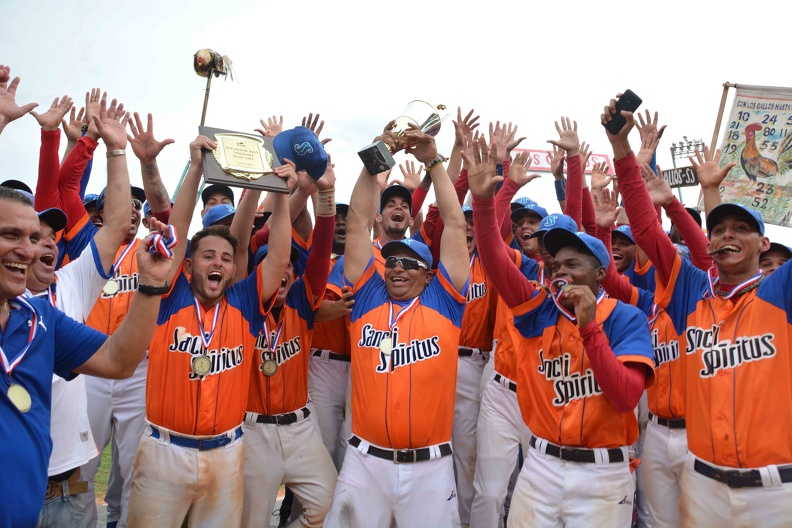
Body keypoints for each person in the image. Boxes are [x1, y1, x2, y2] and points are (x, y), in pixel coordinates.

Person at [606, 99, 792, 527]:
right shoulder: (691, 290)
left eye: (741, 230)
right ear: (707, 245)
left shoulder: (779, 291)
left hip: (776, 490)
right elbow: (645, 229)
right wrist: (621, 149)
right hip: (702, 481)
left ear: (764, 245)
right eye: (719, 230)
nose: (727, 235)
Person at [467, 133, 655, 527]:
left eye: (573, 264)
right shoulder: (537, 308)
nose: (560, 271)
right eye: (555, 264)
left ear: (600, 274)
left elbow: (623, 397)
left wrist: (590, 330)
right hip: (541, 467)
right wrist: (484, 202)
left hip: (603, 476)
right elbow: (493, 256)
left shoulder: (625, 317)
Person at [124, 134, 292, 527]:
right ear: (187, 265)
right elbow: (176, 233)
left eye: (227, 258)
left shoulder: (245, 304)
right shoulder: (169, 295)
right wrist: (197, 167)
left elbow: (279, 257)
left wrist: (280, 194)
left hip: (226, 453)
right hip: (164, 452)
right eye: (208, 256)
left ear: (234, 269)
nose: (218, 263)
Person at [0, 184, 172, 528]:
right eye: (10, 235)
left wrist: (151, 285)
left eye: (34, 238)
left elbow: (118, 360)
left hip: (54, 502)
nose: (28, 249)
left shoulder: (42, 321)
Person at [326, 126, 469, 527]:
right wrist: (381, 153)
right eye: (392, 261)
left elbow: (455, 227)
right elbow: (356, 222)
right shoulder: (369, 297)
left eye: (409, 263)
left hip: (430, 467)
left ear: (428, 275)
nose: (397, 268)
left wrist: (435, 161)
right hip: (364, 461)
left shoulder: (443, 302)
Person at [27, 96, 135, 527]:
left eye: (54, 235)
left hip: (70, 491)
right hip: (16, 483)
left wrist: (115, 149)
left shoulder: (71, 284)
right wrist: (52, 138)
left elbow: (114, 227)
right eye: (35, 237)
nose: (49, 242)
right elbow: (61, 190)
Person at [242, 167, 337, 528]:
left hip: (301, 428)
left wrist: (323, 198)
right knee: (251, 521)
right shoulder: (244, 306)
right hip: (254, 430)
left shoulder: (301, 302)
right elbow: (241, 245)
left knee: (328, 504)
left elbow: (319, 255)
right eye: (269, 263)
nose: (279, 270)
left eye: (286, 267)